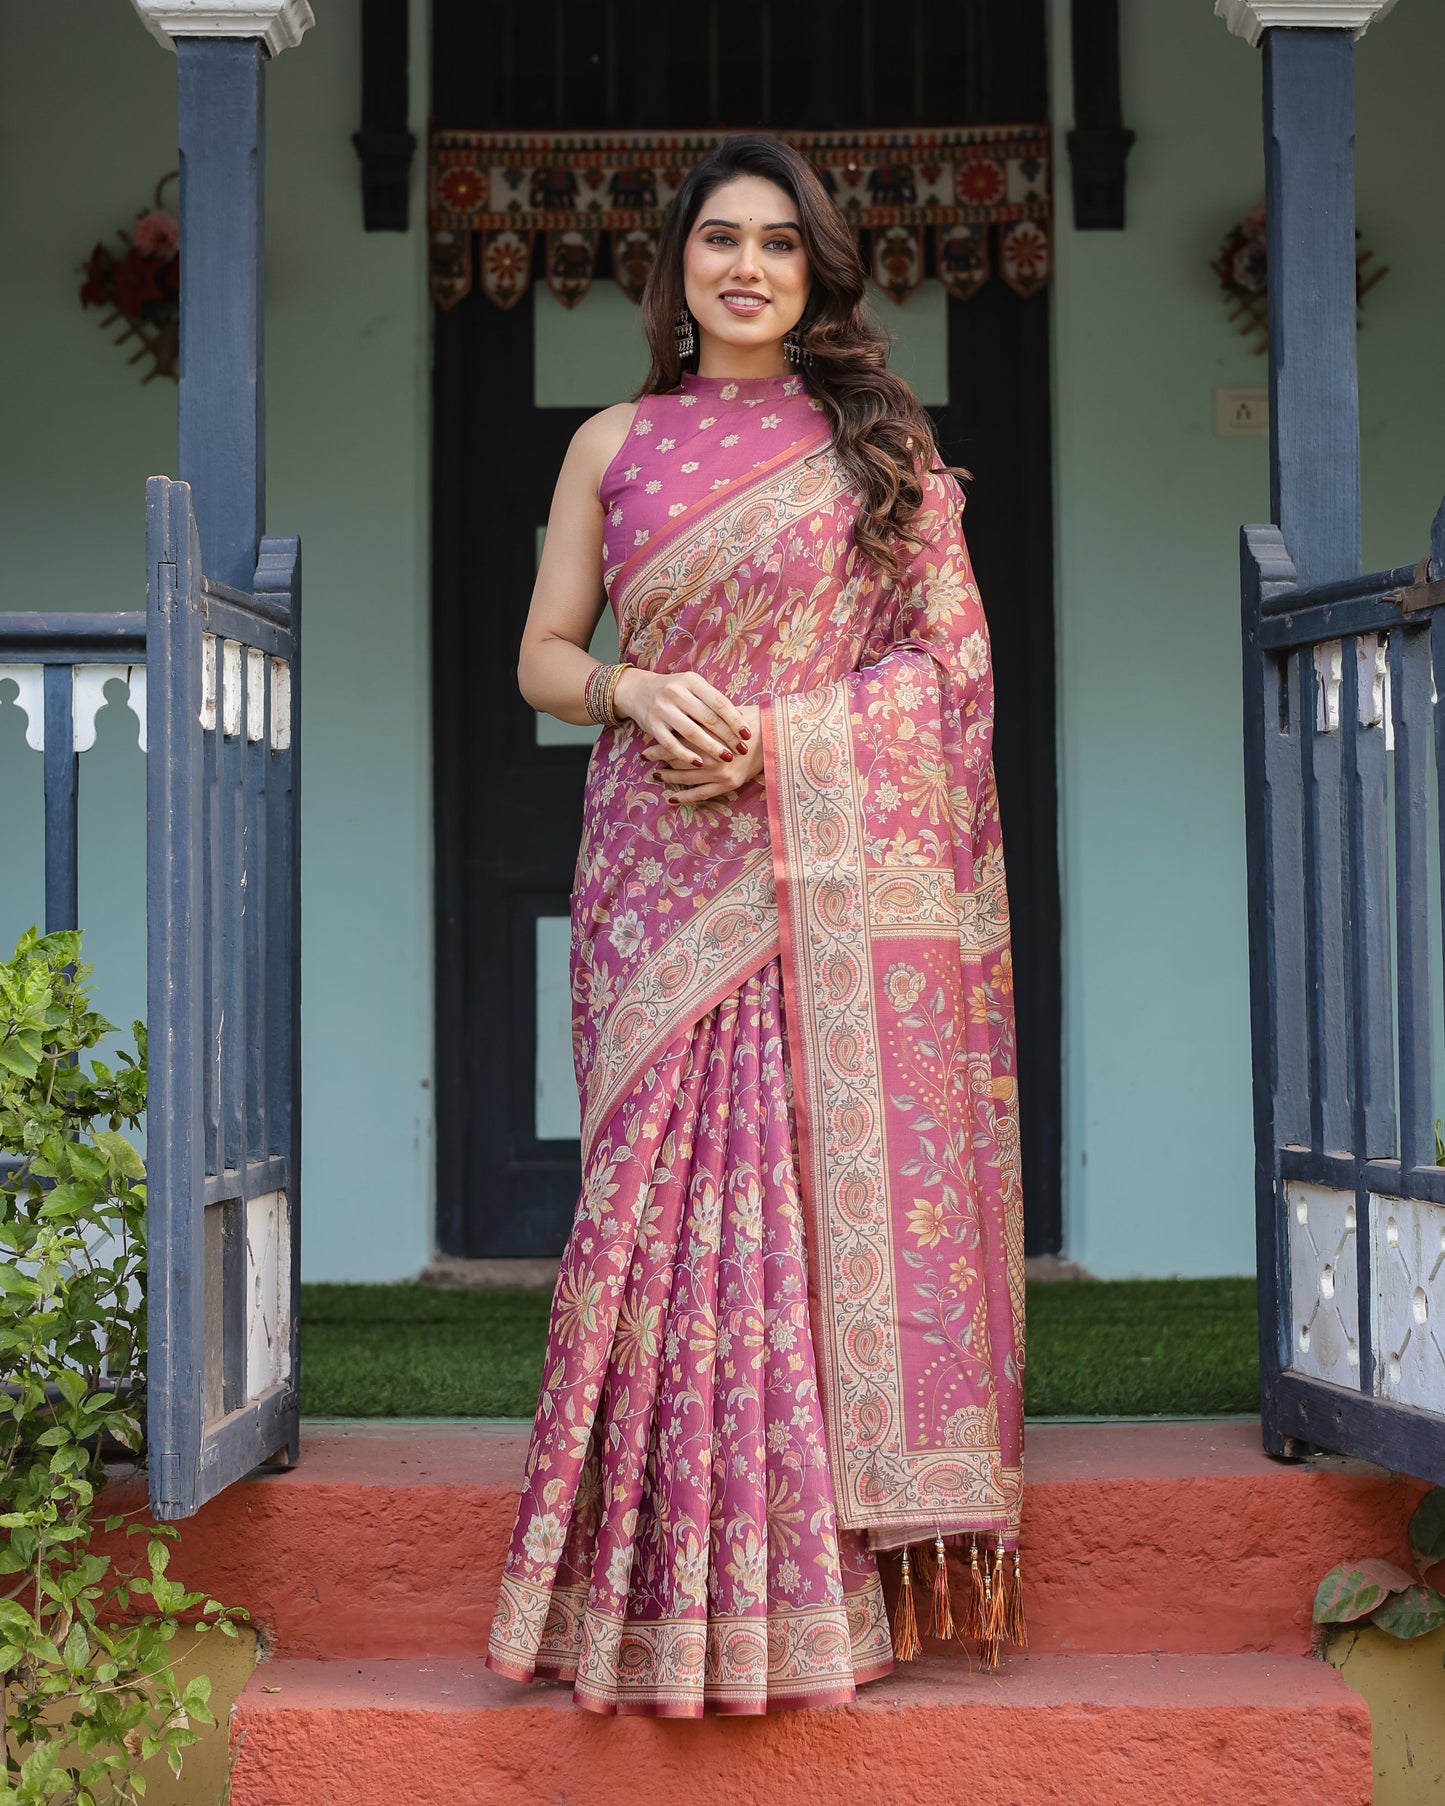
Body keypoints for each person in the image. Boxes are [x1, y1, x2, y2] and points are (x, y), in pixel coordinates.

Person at [485, 132, 1024, 1718]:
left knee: (792, 1209)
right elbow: (541, 653)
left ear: (815, 273)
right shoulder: (609, 444)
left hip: (818, 867)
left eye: (778, 246)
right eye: (718, 240)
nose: (745, 268)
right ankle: (636, 1598)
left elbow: (952, 670)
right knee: (652, 1223)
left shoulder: (878, 446)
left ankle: (815, 1596)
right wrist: (634, 690)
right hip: (656, 864)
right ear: (673, 269)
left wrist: (789, 741)